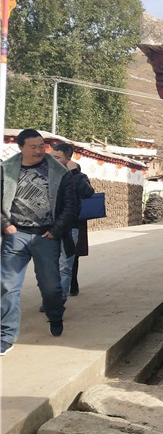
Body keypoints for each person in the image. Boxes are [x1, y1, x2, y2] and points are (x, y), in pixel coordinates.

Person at [1, 129, 79, 353]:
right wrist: (5, 224)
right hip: (16, 235)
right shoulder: (6, 170)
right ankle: (6, 336)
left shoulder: (59, 172)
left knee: (51, 287)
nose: (38, 151)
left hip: (46, 236)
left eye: (41, 146)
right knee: (7, 286)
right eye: (33, 147)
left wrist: (56, 230)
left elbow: (71, 206)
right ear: (21, 147)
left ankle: (55, 315)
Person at [51, 143, 95, 300]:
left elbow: (88, 192)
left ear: (68, 159)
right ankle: (51, 296)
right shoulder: (48, 174)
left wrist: (74, 173)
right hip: (50, 227)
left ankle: (59, 298)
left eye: (57, 157)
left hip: (71, 226)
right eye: (52, 157)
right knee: (50, 264)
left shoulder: (78, 177)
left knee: (67, 262)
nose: (53, 161)